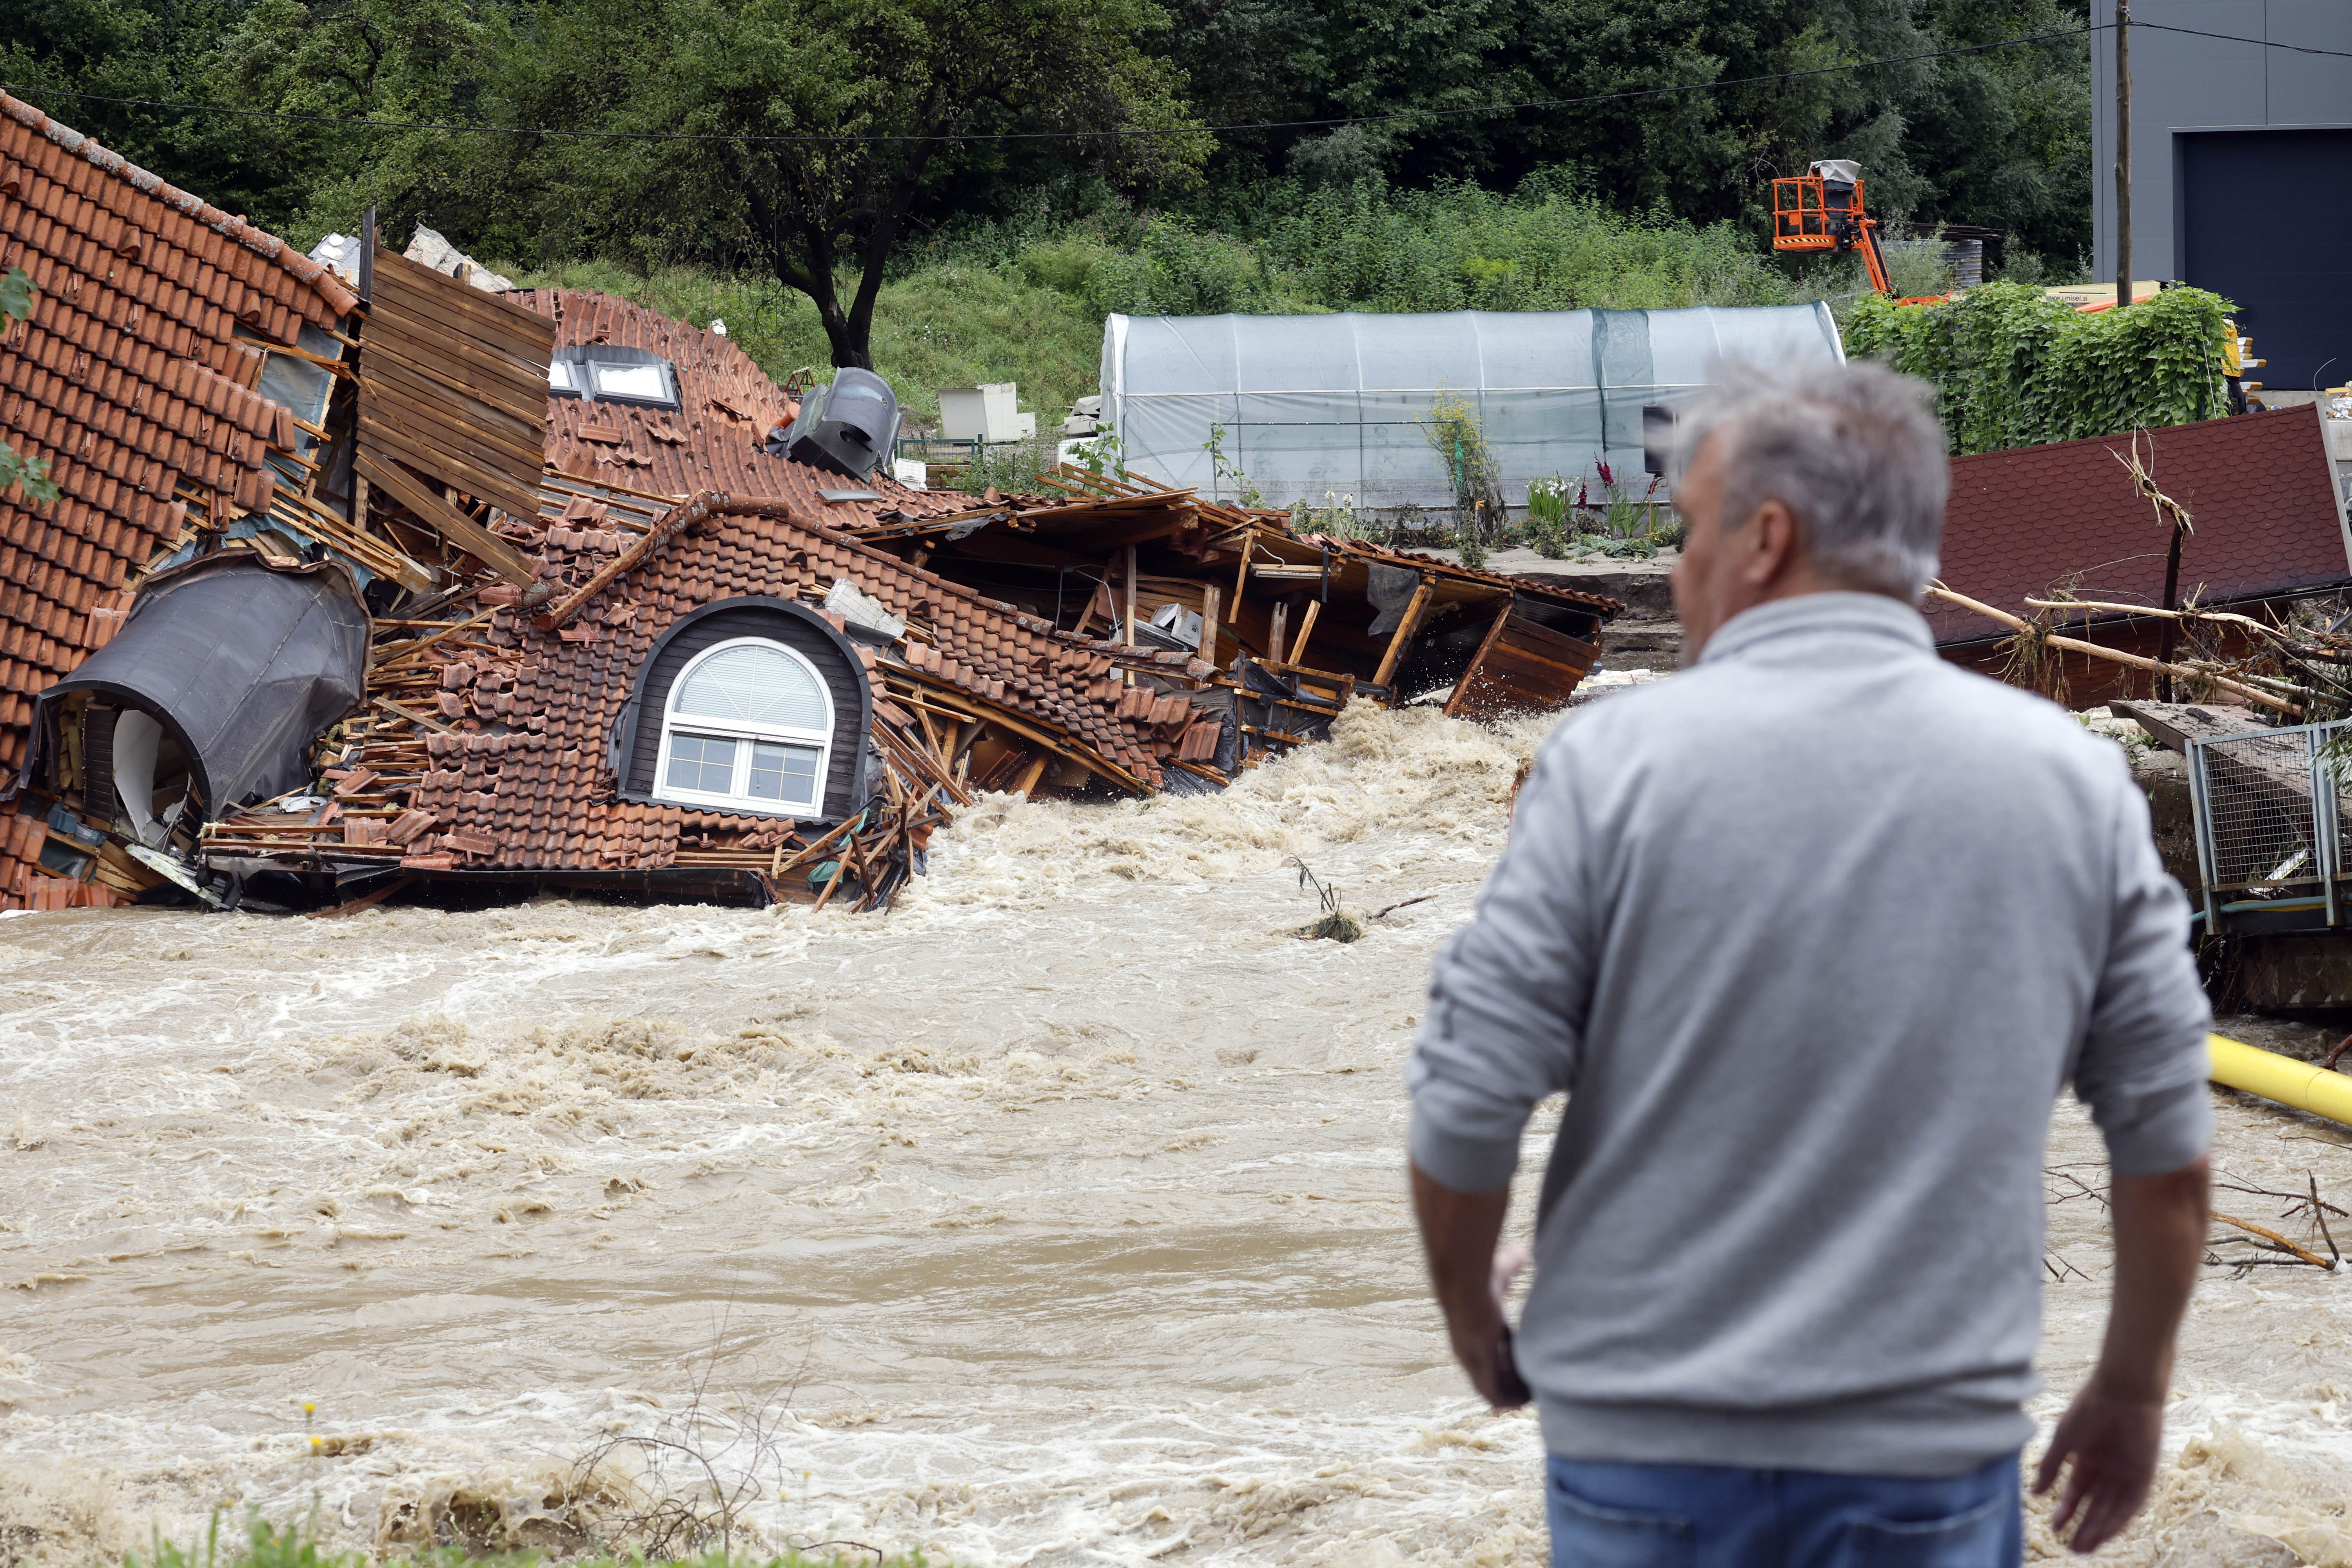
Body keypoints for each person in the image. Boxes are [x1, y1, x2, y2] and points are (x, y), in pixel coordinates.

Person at [1406, 358, 2213, 1564]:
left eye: (1686, 535)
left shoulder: (1608, 767)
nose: (1679, 572)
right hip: (1927, 1465)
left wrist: (1473, 1311)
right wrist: (2132, 1390)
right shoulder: (2072, 782)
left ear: (1766, 537)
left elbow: (1468, 1100)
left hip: (1649, 1457)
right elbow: (2167, 1154)